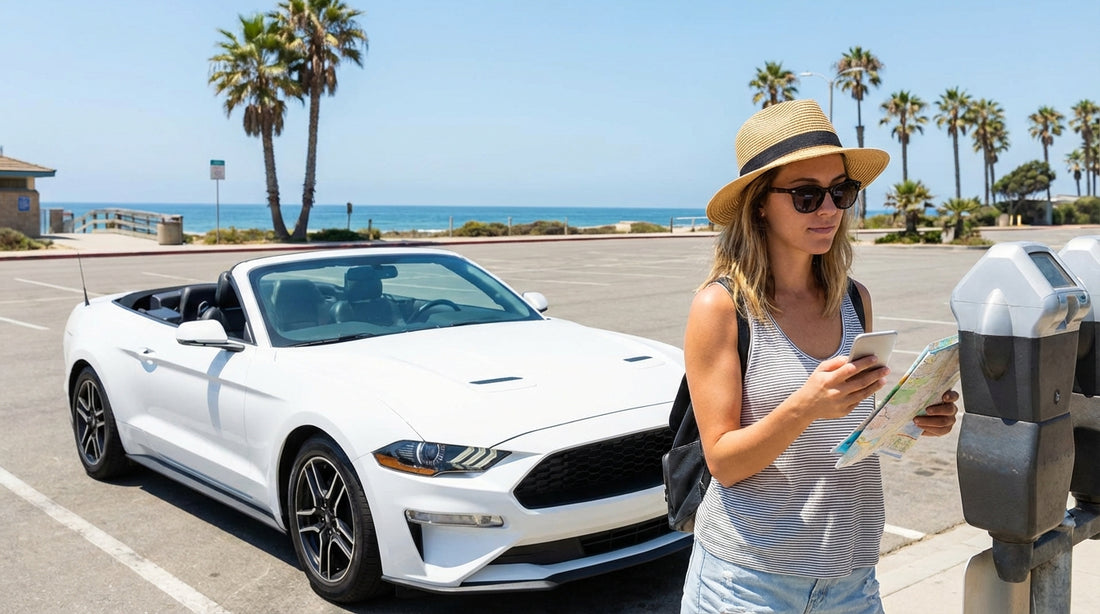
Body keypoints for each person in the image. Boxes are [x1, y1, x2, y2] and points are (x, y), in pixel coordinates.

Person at [680, 99, 959, 614]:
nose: (830, 209)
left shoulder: (853, 299)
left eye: (842, 191)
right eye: (807, 195)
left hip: (851, 577)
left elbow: (847, 434)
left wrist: (914, 417)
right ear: (759, 204)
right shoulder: (722, 307)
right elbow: (722, 461)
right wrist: (803, 406)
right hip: (747, 585)